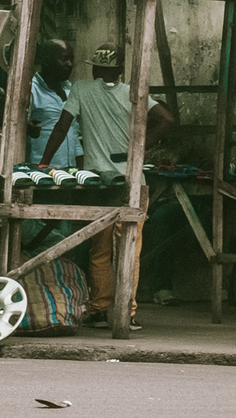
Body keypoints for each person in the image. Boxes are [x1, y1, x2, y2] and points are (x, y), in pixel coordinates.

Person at [43, 43, 172, 328]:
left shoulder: (81, 89)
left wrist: (43, 162)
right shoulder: (133, 93)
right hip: (133, 181)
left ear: (95, 67)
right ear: (121, 68)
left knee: (99, 249)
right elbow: (166, 119)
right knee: (130, 249)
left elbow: (62, 126)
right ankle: (128, 311)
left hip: (98, 184)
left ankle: (100, 309)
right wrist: (139, 148)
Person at [30, 39, 75, 167]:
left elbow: (73, 132)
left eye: (72, 60)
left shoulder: (69, 89)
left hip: (69, 172)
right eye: (64, 59)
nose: (70, 64)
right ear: (46, 60)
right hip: (41, 172)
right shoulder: (31, 90)